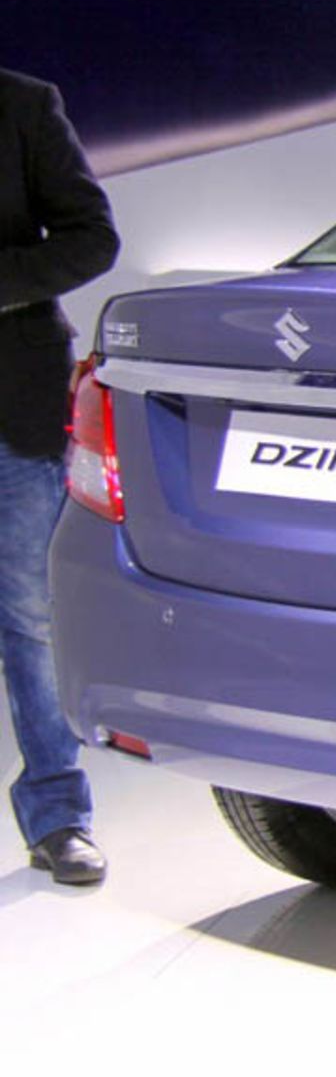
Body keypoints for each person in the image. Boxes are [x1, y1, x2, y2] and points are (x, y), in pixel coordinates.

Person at [1, 68, 120, 883]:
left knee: (33, 619)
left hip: (12, 401)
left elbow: (91, 237)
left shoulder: (21, 104)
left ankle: (57, 815)